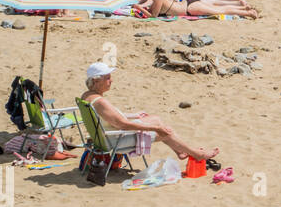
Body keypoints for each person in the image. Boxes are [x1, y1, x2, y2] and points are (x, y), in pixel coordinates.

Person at [82, 63, 218, 162]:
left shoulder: (87, 97)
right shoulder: (100, 102)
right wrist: (155, 128)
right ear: (96, 81)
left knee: (156, 119)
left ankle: (181, 151)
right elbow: (123, 125)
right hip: (115, 140)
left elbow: (109, 117)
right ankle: (195, 153)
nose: (111, 81)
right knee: (164, 130)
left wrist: (134, 115)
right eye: (108, 78)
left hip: (105, 137)